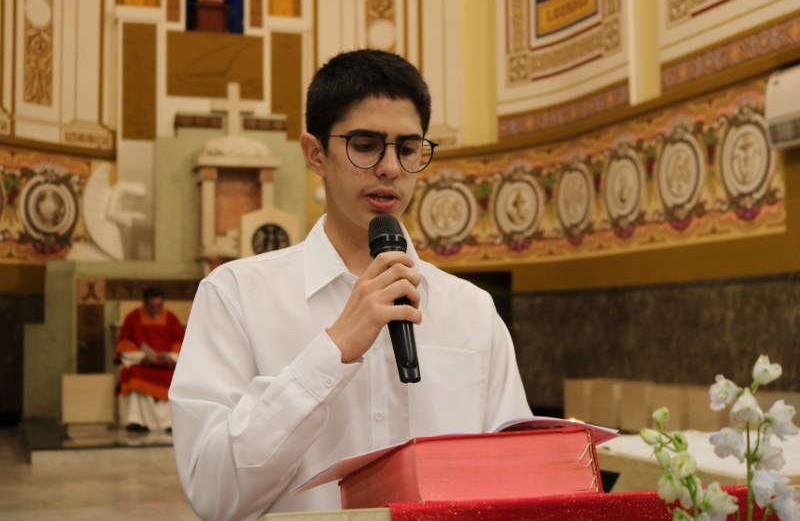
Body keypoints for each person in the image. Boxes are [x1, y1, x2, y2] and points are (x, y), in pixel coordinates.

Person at [169, 49, 532, 521]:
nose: (390, 168)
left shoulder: (472, 310)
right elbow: (214, 495)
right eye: (365, 145)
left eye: (407, 149)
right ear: (315, 153)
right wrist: (332, 351)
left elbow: (513, 481)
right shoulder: (236, 295)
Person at [115, 285, 184, 432]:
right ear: (145, 303)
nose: (155, 310)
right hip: (142, 364)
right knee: (133, 375)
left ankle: (170, 422)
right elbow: (125, 344)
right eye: (152, 306)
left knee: (177, 377)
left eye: (159, 306)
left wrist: (172, 358)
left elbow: (181, 343)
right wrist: (141, 358)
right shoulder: (133, 318)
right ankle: (136, 420)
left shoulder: (170, 318)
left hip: (166, 366)